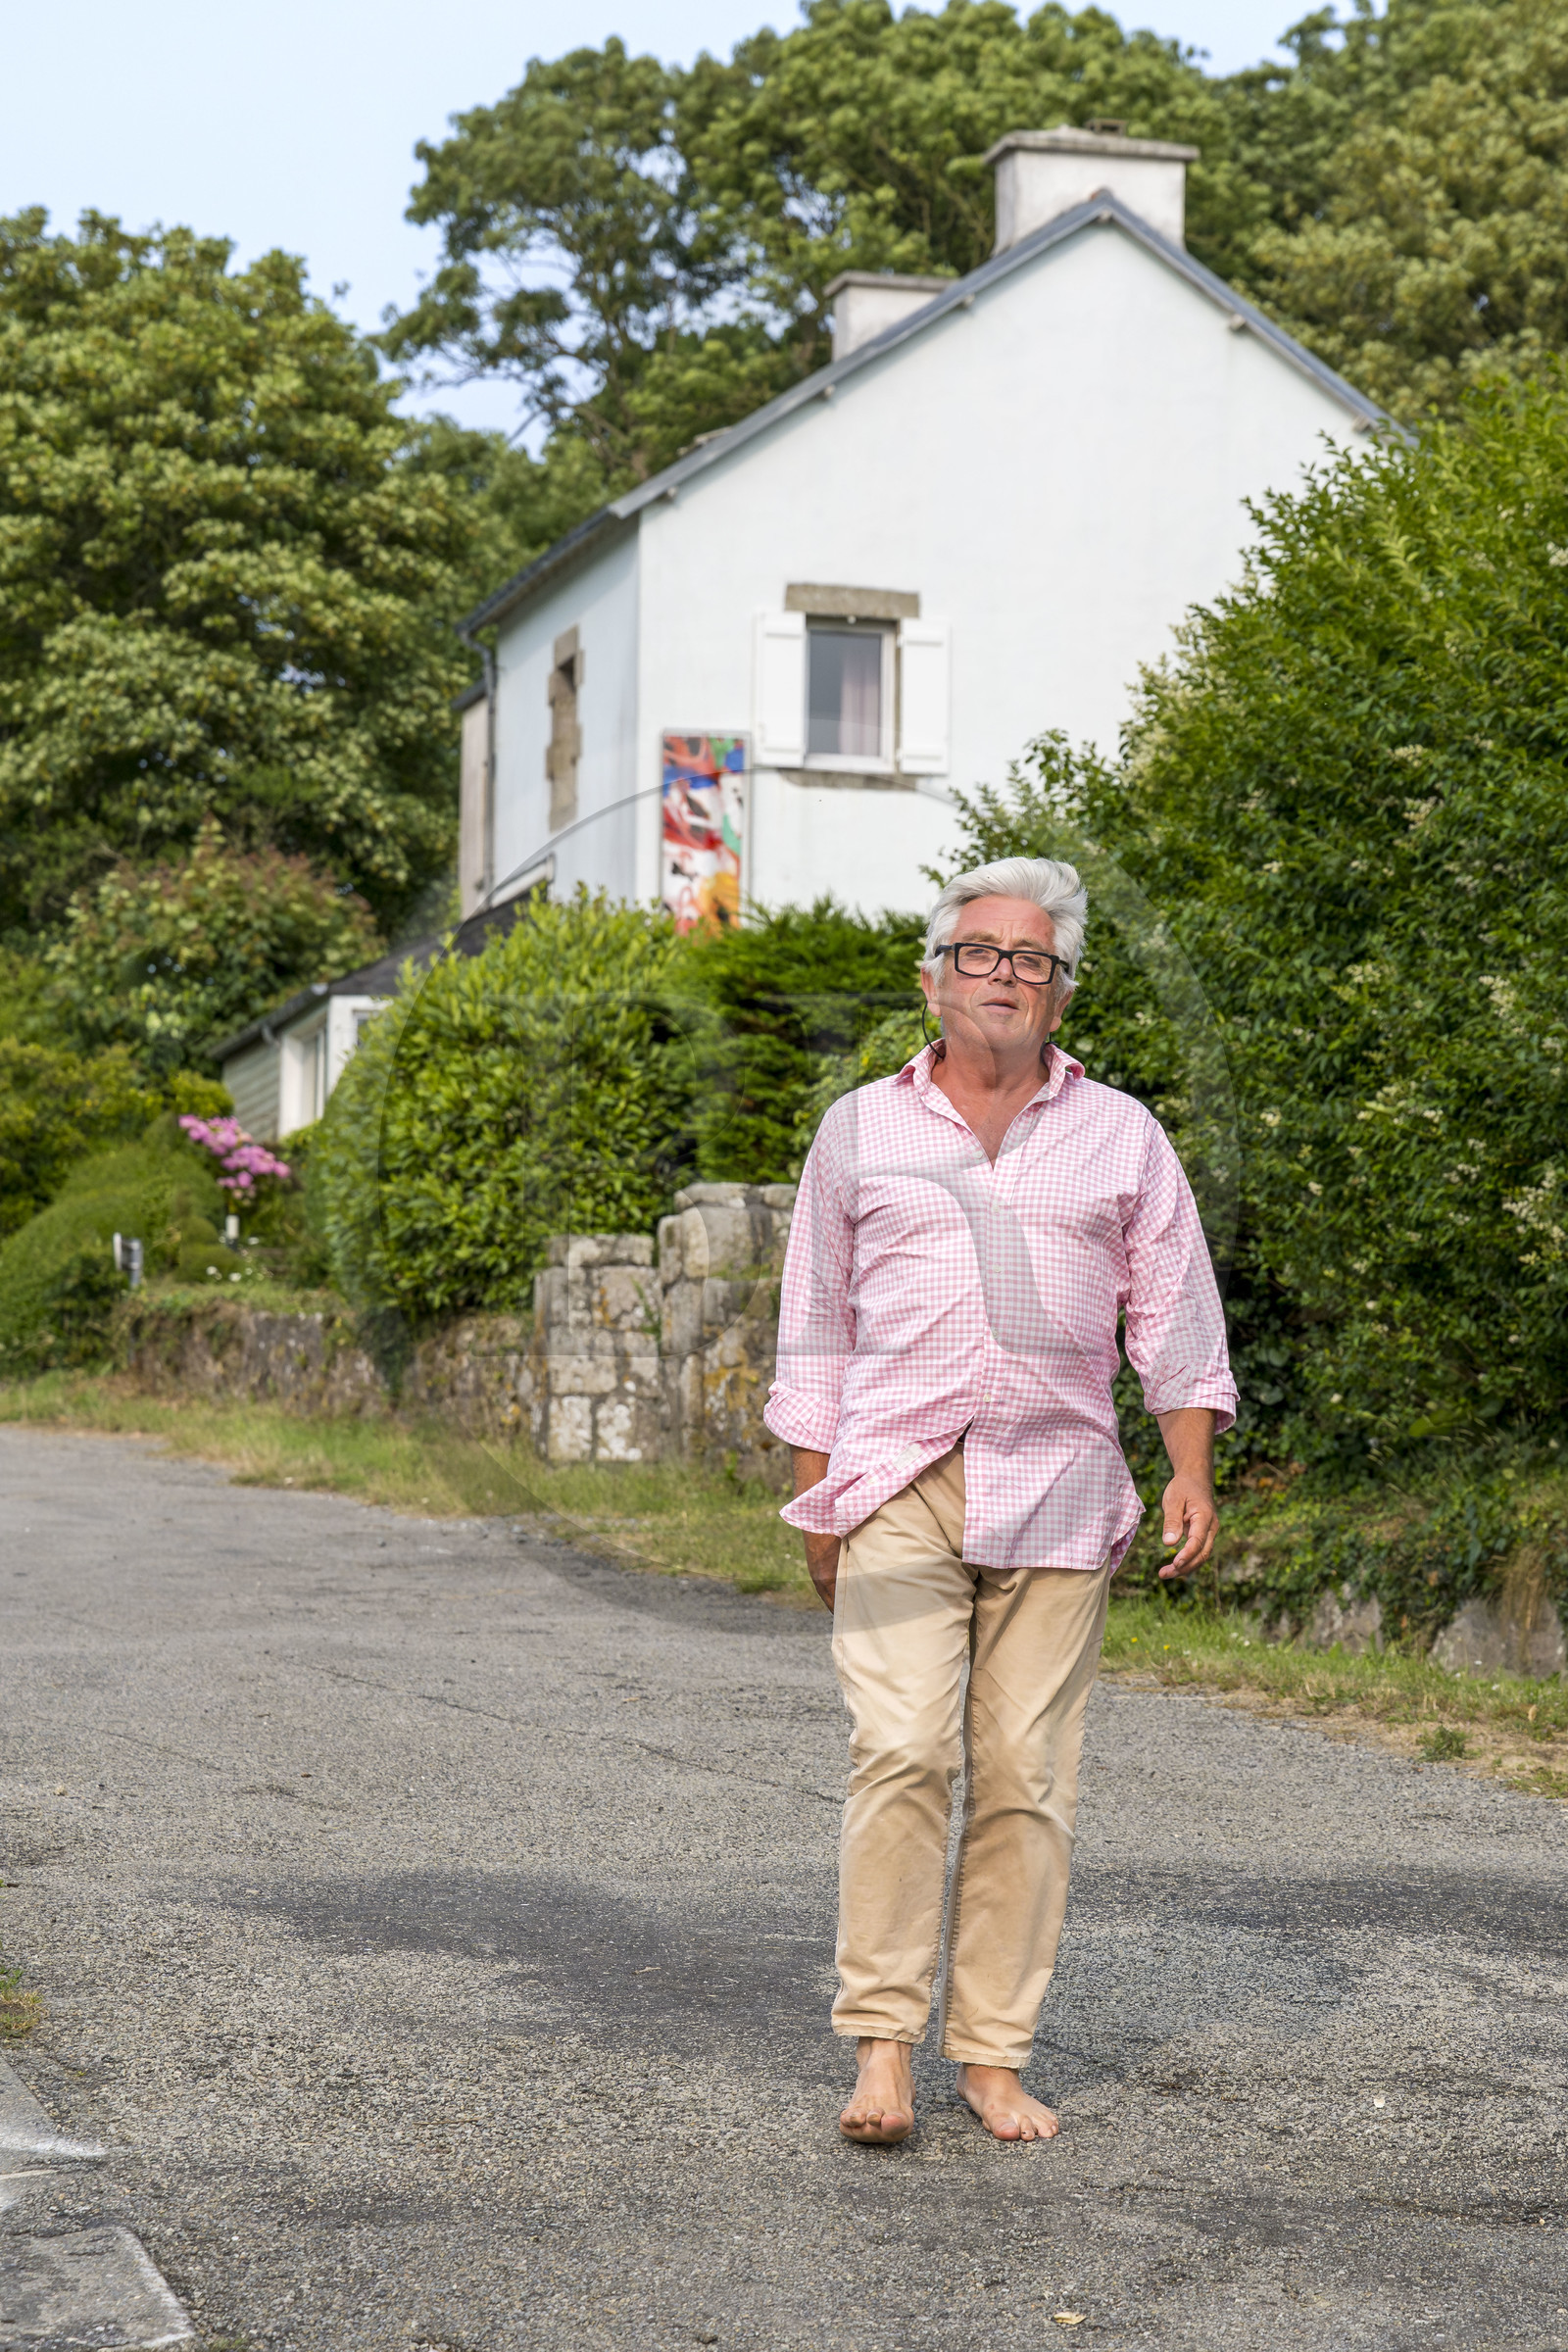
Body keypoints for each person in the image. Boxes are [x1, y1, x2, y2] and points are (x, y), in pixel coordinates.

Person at [763, 857, 1236, 2146]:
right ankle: (882, 2053)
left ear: (1061, 994)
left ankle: (991, 2055)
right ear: (932, 978)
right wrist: (816, 1498)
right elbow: (813, 1315)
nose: (1006, 976)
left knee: (1027, 1773)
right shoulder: (860, 1127)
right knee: (904, 1748)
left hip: (1061, 1485)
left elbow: (1175, 1308)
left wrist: (1190, 1466)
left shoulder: (1122, 1135)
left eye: (1032, 959)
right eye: (981, 953)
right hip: (897, 1479)